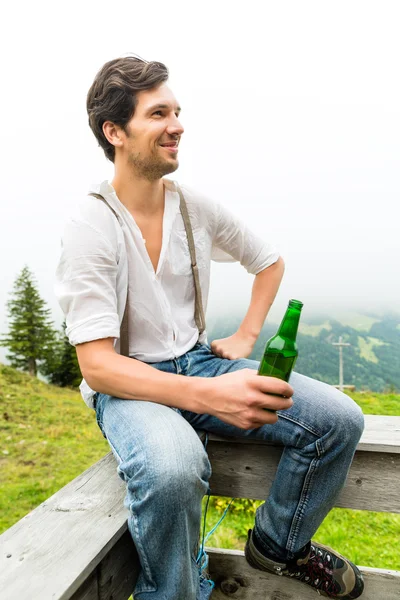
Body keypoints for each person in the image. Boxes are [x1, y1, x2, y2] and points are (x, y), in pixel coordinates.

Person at [55, 56, 365, 600]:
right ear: (115, 131)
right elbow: (98, 366)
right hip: (130, 383)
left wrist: (245, 339)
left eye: (177, 111)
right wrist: (211, 394)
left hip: (200, 361)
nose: (177, 124)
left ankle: (278, 545)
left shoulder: (195, 207)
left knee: (337, 420)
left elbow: (268, 260)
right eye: (158, 114)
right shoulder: (91, 223)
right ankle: (177, 592)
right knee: (174, 470)